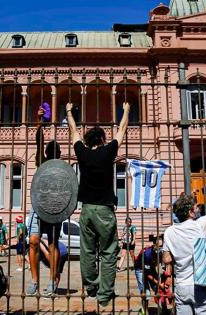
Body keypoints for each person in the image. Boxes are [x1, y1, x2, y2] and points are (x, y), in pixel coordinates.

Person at [66, 101, 131, 307]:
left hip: (86, 209)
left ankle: (91, 287)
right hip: (104, 210)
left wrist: (69, 112)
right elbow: (121, 130)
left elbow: (73, 131)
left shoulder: (82, 153)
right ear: (103, 139)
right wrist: (126, 110)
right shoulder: (108, 151)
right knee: (108, 252)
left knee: (87, 250)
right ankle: (104, 296)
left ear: (87, 140)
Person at [162, 184, 206, 315]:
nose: (197, 209)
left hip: (182, 285)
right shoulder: (199, 225)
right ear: (190, 212)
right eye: (195, 207)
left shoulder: (169, 232)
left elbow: (166, 258)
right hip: (200, 283)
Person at [27, 106, 65, 296]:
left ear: (58, 154)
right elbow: (38, 141)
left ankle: (51, 279)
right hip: (37, 205)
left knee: (52, 243)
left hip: (55, 208)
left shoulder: (62, 168)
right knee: (33, 241)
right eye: (50, 150)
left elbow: (68, 190)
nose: (51, 152)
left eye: (54, 150)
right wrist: (40, 122)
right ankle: (34, 280)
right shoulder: (41, 161)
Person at [134, 235, 167, 315]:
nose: (161, 248)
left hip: (151, 267)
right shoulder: (147, 254)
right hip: (141, 270)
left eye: (162, 246)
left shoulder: (162, 252)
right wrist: (159, 283)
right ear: (154, 245)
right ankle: (144, 311)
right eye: (159, 246)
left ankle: (163, 310)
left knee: (158, 290)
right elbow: (148, 274)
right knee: (147, 293)